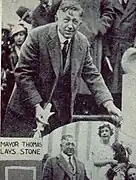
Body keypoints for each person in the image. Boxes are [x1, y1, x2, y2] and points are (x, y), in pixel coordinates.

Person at [3, 0, 121, 137]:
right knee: (19, 157)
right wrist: (36, 106)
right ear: (56, 19)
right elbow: (22, 73)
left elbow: (92, 75)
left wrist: (109, 104)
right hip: (26, 111)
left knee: (53, 156)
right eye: (66, 20)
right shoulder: (37, 36)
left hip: (57, 117)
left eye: (75, 22)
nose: (70, 26)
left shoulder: (82, 42)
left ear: (80, 23)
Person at [102, 0, 136, 109]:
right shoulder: (109, 2)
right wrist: (106, 52)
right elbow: (104, 30)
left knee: (129, 83)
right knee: (112, 84)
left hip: (129, 51)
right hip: (113, 49)